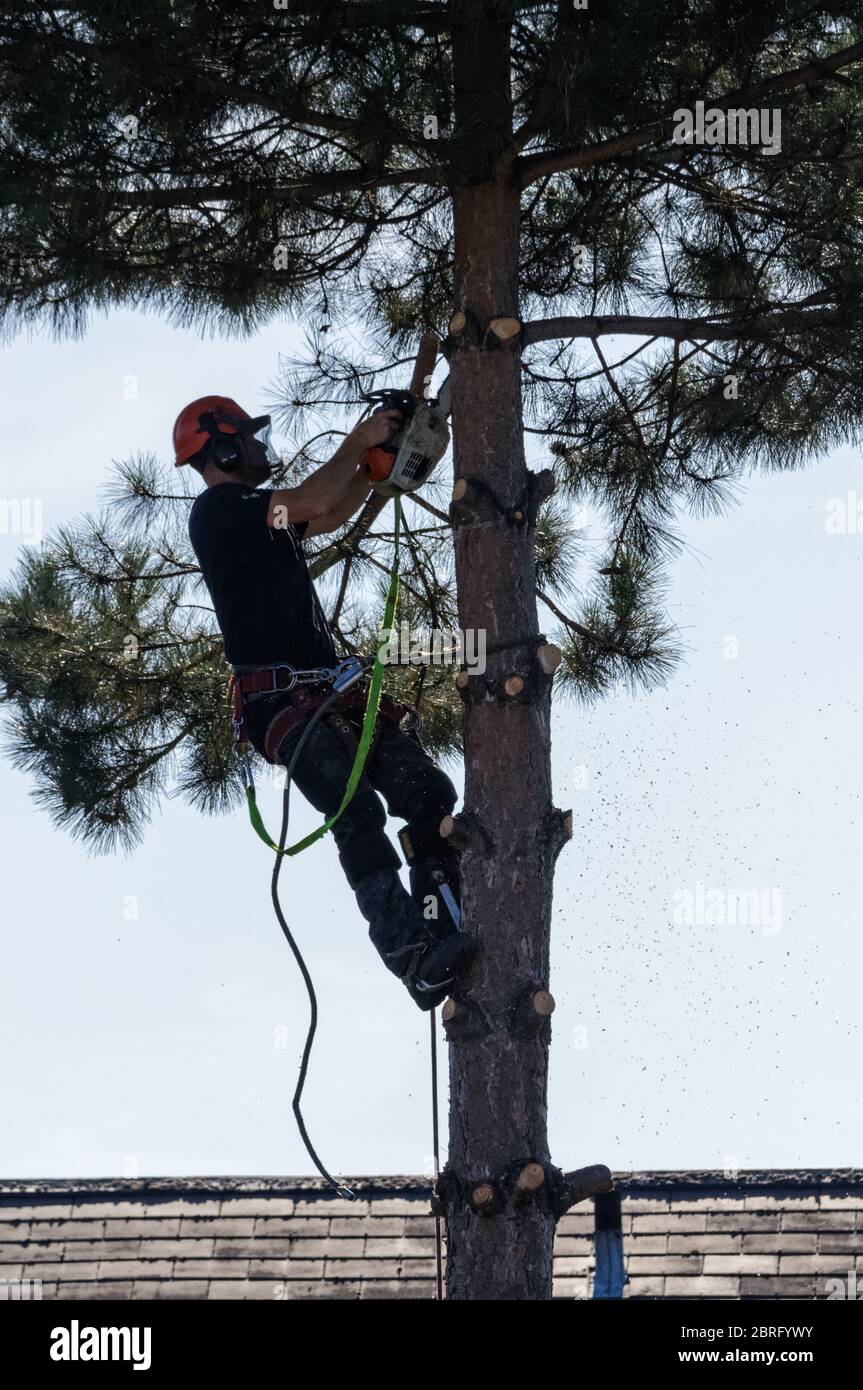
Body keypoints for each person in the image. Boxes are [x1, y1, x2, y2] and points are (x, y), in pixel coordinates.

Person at [175, 395, 476, 1009]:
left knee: (427, 791)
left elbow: (329, 514)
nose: (262, 448)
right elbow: (311, 501)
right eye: (250, 441)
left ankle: (443, 918)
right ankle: (410, 956)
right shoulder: (220, 509)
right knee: (355, 807)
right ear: (224, 448)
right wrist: (358, 438)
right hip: (280, 702)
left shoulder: (260, 518)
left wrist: (376, 467)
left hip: (330, 692)